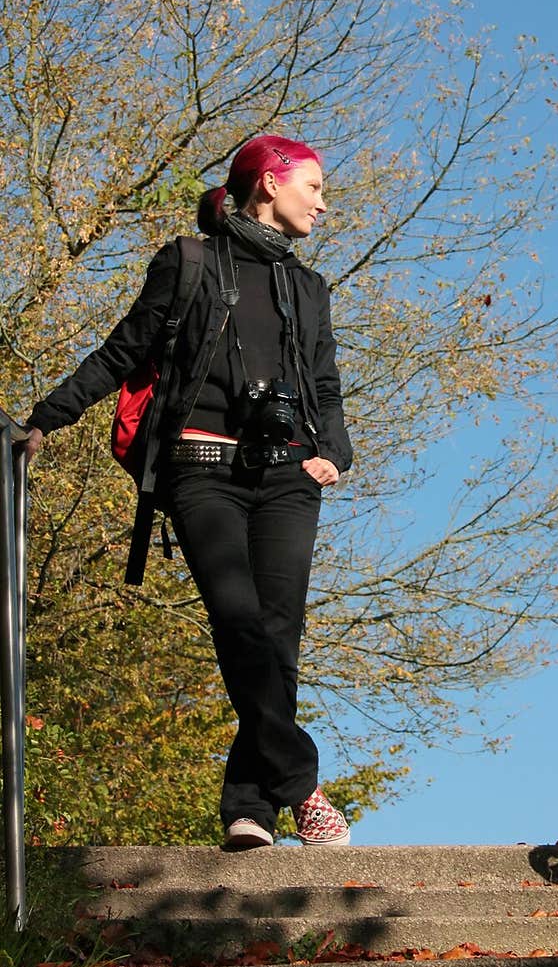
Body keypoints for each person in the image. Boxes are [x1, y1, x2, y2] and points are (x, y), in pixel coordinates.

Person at [18, 134, 353, 850]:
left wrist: (334, 452)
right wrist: (49, 416)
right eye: (314, 186)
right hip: (201, 470)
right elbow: (124, 348)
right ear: (268, 182)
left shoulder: (310, 288)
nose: (324, 202)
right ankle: (303, 786)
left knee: (277, 642)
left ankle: (249, 808)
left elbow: (324, 382)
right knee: (239, 621)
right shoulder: (189, 262)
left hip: (289, 478)